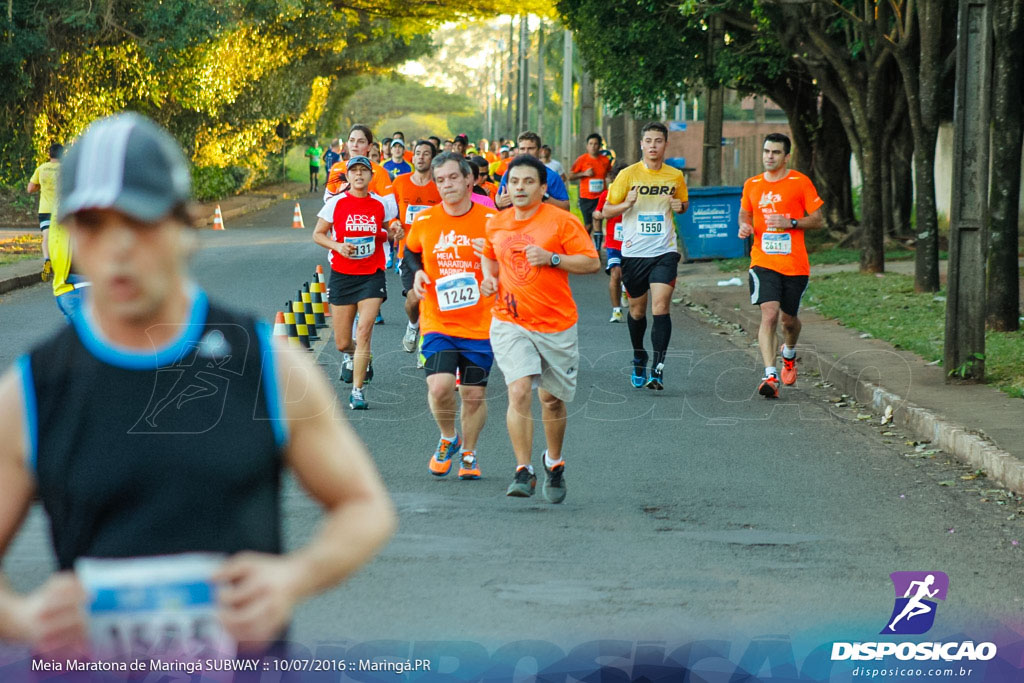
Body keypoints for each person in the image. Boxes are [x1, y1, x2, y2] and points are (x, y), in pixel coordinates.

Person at [0, 113, 396, 661]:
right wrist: (26, 619)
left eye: (138, 222)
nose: (116, 247)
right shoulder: (33, 390)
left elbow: (364, 506)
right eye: (91, 225)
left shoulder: (268, 364)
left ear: (183, 226)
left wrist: (291, 579)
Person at [477, 155, 600, 503]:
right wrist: (489, 277)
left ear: (543, 188)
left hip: (556, 324)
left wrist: (552, 259)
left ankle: (554, 462)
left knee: (551, 401)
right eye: (514, 182)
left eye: (528, 181)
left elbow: (592, 262)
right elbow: (489, 254)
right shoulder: (496, 223)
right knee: (518, 390)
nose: (519, 188)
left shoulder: (562, 222)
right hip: (509, 319)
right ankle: (523, 470)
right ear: (506, 186)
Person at [404, 153, 497, 480]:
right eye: (440, 180)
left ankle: (469, 453)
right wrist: (416, 274)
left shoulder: (490, 220)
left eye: (453, 178)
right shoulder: (426, 220)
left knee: (473, 395)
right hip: (439, 320)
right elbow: (410, 251)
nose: (446, 185)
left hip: (481, 322)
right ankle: (448, 436)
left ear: (469, 180)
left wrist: (493, 278)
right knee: (441, 386)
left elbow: (507, 261)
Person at [602, 122, 689, 391]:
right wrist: (625, 204)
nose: (653, 145)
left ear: (665, 144)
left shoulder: (674, 176)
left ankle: (658, 368)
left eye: (658, 141)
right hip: (634, 253)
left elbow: (683, 205)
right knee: (637, 311)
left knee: (660, 306)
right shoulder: (627, 175)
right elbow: (606, 210)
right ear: (641, 144)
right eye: (648, 140)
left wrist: (681, 205)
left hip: (664, 252)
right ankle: (639, 354)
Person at [738, 133, 824, 399]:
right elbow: (745, 211)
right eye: (766, 151)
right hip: (763, 261)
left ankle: (788, 352)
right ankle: (770, 375)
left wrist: (793, 223)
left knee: (788, 321)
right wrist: (744, 224)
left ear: (786, 156)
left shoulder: (800, 182)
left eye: (775, 152)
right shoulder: (752, 184)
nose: (769, 157)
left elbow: (818, 219)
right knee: (770, 314)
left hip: (794, 264)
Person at [314, 155, 402, 410]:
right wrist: (338, 246)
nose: (359, 175)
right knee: (343, 343)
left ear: (371, 176)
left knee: (364, 331)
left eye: (364, 171)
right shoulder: (336, 203)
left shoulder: (379, 204)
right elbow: (318, 234)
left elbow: (389, 226)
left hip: (371, 274)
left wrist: (396, 230)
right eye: (355, 171)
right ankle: (360, 357)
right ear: (348, 175)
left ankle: (358, 391)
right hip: (342, 274)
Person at [390, 140, 442, 355]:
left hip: (434, 252)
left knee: (431, 300)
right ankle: (413, 326)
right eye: (418, 153)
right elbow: (390, 214)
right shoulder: (400, 182)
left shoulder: (439, 185)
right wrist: (394, 225)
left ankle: (426, 345)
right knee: (413, 298)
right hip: (408, 252)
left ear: (432, 158)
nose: (421, 157)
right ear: (413, 157)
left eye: (426, 153)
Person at [495, 132, 570, 211]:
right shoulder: (509, 173)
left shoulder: (552, 176)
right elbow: (498, 198)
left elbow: (566, 208)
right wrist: (499, 203)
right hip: (514, 221)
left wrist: (544, 196)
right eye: (522, 149)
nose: (526, 152)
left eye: (530, 148)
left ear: (540, 151)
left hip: (542, 221)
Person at [591, 163, 627, 323]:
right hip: (613, 243)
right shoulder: (606, 195)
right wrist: (597, 240)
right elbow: (597, 214)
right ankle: (616, 310)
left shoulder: (635, 195)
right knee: (616, 273)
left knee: (628, 276)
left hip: (633, 244)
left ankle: (625, 291)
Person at [26, 143, 62, 279]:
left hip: (45, 210)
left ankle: (47, 260)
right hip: (61, 210)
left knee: (46, 237)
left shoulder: (41, 168)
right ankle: (60, 265)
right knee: (60, 239)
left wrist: (39, 187)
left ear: (49, 154)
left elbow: (30, 189)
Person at [569, 133, 613, 240]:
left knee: (597, 221)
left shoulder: (605, 160)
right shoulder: (582, 160)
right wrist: (583, 173)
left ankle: (597, 251)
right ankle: (582, 244)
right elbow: (570, 176)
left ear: (599, 146)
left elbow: (610, 174)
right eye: (591, 144)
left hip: (600, 197)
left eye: (596, 144)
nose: (593, 146)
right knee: (588, 225)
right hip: (586, 197)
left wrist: (609, 179)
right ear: (587, 146)